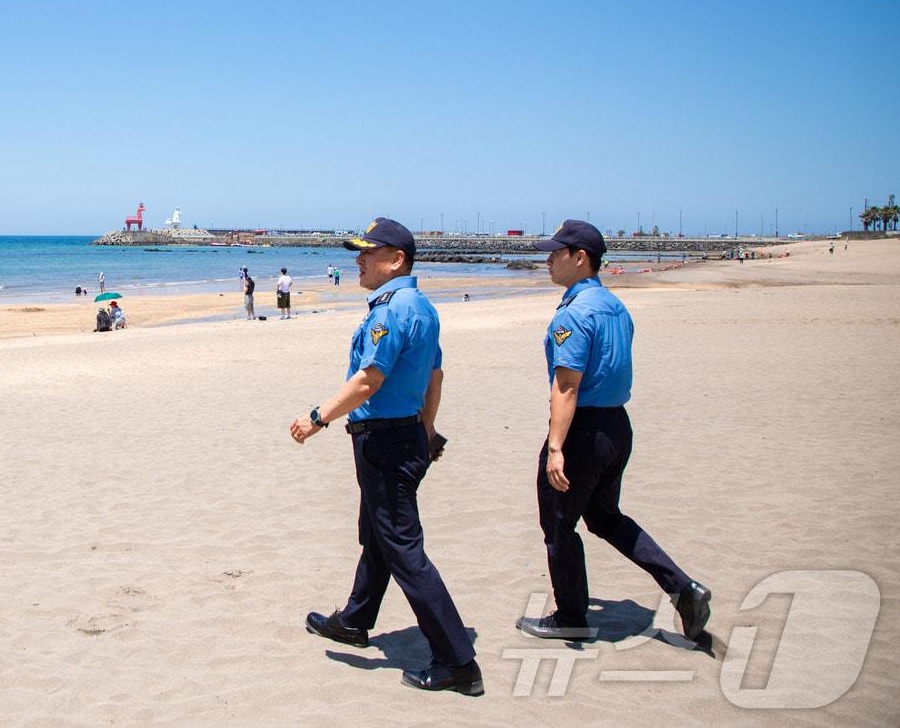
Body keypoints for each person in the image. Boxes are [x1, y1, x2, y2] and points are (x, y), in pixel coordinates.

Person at [290, 217, 482, 696]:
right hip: (405, 437)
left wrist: (317, 418)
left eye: (368, 253)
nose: (359, 259)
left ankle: (458, 661)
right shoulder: (422, 307)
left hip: (387, 442)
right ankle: (354, 621)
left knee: (402, 548)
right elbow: (435, 376)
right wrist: (429, 428)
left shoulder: (392, 310)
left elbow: (367, 380)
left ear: (396, 260)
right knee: (378, 533)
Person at [516, 220, 711, 643]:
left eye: (556, 252)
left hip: (583, 429)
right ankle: (683, 588)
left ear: (580, 257)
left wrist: (555, 448)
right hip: (616, 427)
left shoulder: (574, 314)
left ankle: (570, 615)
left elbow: (566, 385)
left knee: (558, 524)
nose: (547, 258)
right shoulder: (615, 307)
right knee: (604, 518)